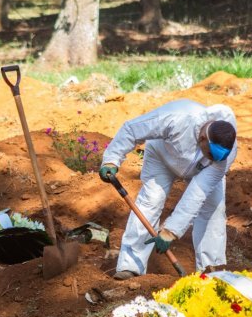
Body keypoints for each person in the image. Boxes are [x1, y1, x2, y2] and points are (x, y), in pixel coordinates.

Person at [99, 99, 237, 280]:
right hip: (162, 157)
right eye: (210, 155)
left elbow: (198, 192)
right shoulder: (176, 117)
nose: (212, 159)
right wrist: (112, 159)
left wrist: (170, 231)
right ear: (203, 138)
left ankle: (213, 272)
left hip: (199, 170)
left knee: (213, 210)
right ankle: (130, 267)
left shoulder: (224, 157)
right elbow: (132, 129)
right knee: (151, 200)